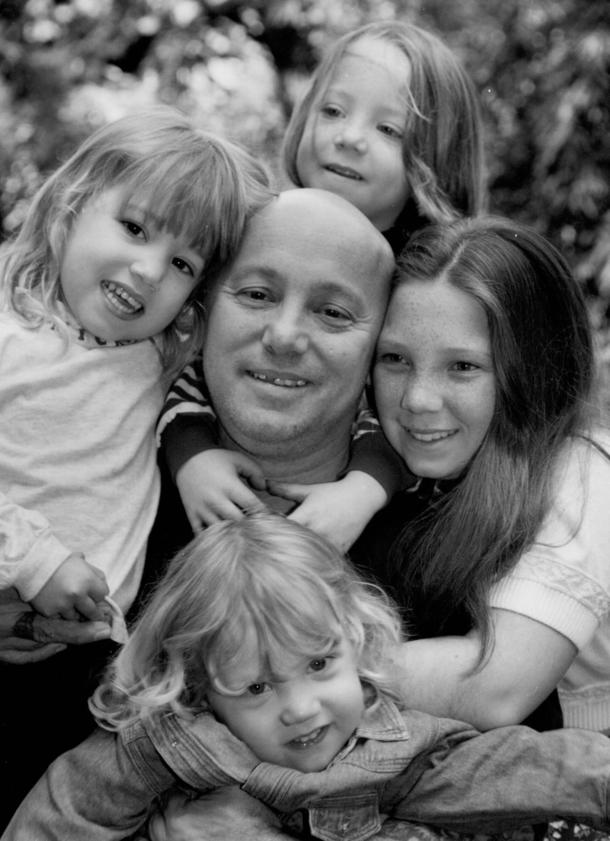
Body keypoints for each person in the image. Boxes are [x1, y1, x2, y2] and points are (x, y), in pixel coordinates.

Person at [0, 105, 272, 838]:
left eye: (184, 263)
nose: (148, 268)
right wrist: (34, 559)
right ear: (72, 208)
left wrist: (192, 447)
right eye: (134, 227)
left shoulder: (156, 362)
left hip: (90, 671)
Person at [2, 513, 610, 841]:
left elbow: (510, 768)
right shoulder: (158, 750)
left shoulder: (392, 746)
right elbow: (60, 818)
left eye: (319, 665)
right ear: (198, 687)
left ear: (356, 639)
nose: (301, 708)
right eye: (257, 688)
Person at [156, 19, 485, 548]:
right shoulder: (251, 228)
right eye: (332, 110)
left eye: (389, 129)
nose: (348, 137)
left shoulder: (430, 289)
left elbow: (403, 417)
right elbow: (183, 373)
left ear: (437, 158)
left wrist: (366, 487)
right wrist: (190, 457)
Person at [358, 215, 610, 736]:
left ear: (536, 369)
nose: (417, 400)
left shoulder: (583, 473)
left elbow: (494, 687)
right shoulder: (396, 467)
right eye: (395, 359)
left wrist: (285, 666)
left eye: (464, 367)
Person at [144, 186, 396, 580]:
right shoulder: (109, 490)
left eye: (333, 312)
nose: (283, 336)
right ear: (201, 308)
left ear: (379, 348)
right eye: (258, 294)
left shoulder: (440, 555)